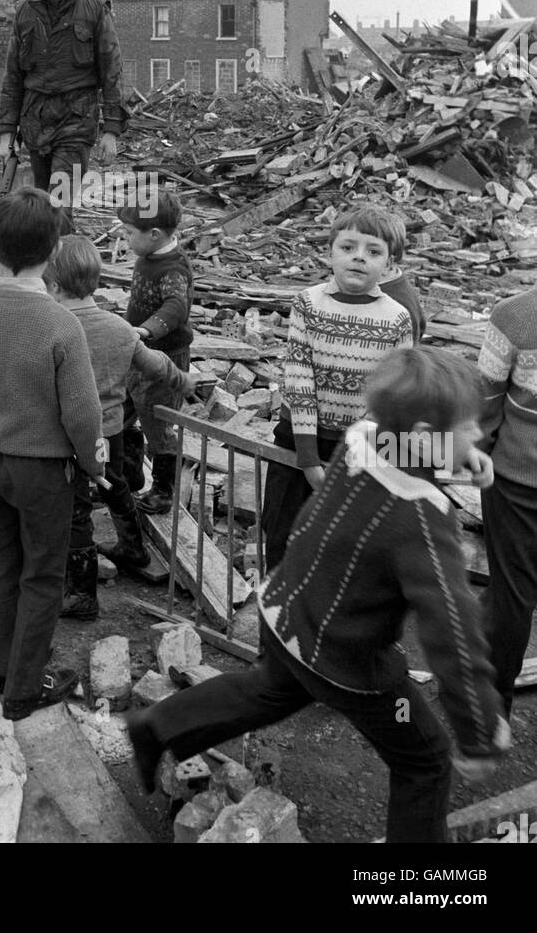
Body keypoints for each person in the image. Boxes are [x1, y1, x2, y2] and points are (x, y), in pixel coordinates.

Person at [127, 348, 511, 844]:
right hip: (347, 662)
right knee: (426, 759)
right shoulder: (419, 521)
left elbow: (406, 447)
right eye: (470, 429)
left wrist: (455, 453)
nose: (479, 435)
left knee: (269, 690)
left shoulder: (363, 445)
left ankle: (156, 726)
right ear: (423, 437)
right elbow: (453, 632)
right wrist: (478, 731)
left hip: (288, 616)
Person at [0, 188, 108, 722]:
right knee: (44, 576)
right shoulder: (61, 324)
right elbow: (82, 415)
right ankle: (25, 690)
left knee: (4, 566)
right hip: (43, 470)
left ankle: (3, 669)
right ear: (52, 253)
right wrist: (93, 466)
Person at [44, 235, 202, 619]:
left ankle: (81, 593)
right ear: (96, 281)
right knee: (113, 483)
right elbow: (156, 364)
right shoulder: (119, 328)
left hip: (67, 435)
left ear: (53, 285)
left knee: (76, 503)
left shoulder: (53, 328)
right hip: (108, 432)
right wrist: (185, 380)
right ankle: (133, 548)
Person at [263, 203, 414, 570]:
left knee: (340, 549)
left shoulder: (397, 319)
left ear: (390, 264)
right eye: (348, 247)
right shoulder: (308, 304)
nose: (359, 258)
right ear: (330, 251)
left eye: (373, 251)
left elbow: (391, 396)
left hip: (357, 450)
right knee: (282, 538)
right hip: (299, 443)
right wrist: (309, 459)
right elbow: (298, 378)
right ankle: (278, 623)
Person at [0, 0, 126, 211]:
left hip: (76, 120)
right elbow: (13, 77)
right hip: (36, 122)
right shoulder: (24, 13)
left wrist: (112, 130)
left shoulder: (95, 11)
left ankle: (60, 249)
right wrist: (7, 134)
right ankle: (47, 252)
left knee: (58, 202)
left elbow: (111, 71)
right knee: (43, 203)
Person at [476, 285, 537, 718]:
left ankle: (491, 712)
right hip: (515, 478)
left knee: (510, 596)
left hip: (516, 478)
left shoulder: (515, 314)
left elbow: (487, 397)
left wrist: (480, 449)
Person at [118, 188, 195, 516]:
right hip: (136, 352)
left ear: (154, 234)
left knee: (157, 422)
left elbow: (176, 306)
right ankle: (129, 472)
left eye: (129, 233)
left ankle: (163, 489)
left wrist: (146, 329)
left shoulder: (173, 269)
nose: (125, 238)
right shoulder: (148, 256)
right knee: (119, 411)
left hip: (164, 360)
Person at [378, 209, 426, 342]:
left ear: (390, 261)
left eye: (373, 252)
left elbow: (407, 356)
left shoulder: (399, 305)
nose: (359, 257)